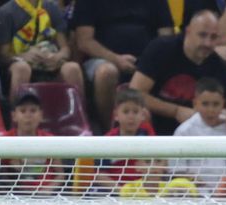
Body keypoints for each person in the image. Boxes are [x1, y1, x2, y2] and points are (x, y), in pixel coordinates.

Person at [71, 0, 174, 132]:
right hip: (102, 59)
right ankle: (110, 130)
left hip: (147, 59)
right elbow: (84, 41)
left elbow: (166, 36)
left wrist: (148, 60)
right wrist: (116, 59)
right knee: (107, 72)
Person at [128, 10, 226, 136]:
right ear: (188, 31)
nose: (207, 43)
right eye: (202, 35)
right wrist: (175, 111)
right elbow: (134, 93)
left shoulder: (218, 66)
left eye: (213, 37)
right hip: (155, 128)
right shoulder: (161, 49)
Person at [0, 0, 82, 101]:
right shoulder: (7, 11)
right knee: (22, 68)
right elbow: (3, 54)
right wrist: (22, 56)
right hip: (20, 63)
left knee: (72, 68)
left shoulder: (52, 8)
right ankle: (17, 112)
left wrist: (57, 57)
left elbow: (65, 48)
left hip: (50, 63)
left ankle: (78, 113)